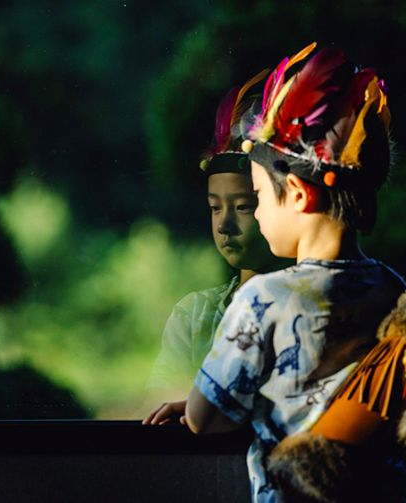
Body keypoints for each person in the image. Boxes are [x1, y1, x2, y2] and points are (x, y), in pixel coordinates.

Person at [144, 43, 406, 502]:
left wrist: (201, 406)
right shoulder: (393, 289)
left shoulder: (265, 298)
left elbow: (205, 418)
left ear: (299, 195)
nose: (259, 213)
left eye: (258, 197)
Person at [139, 74, 273, 413]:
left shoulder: (311, 307)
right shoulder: (195, 317)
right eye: (215, 208)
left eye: (243, 207)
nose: (224, 225)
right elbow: (158, 410)